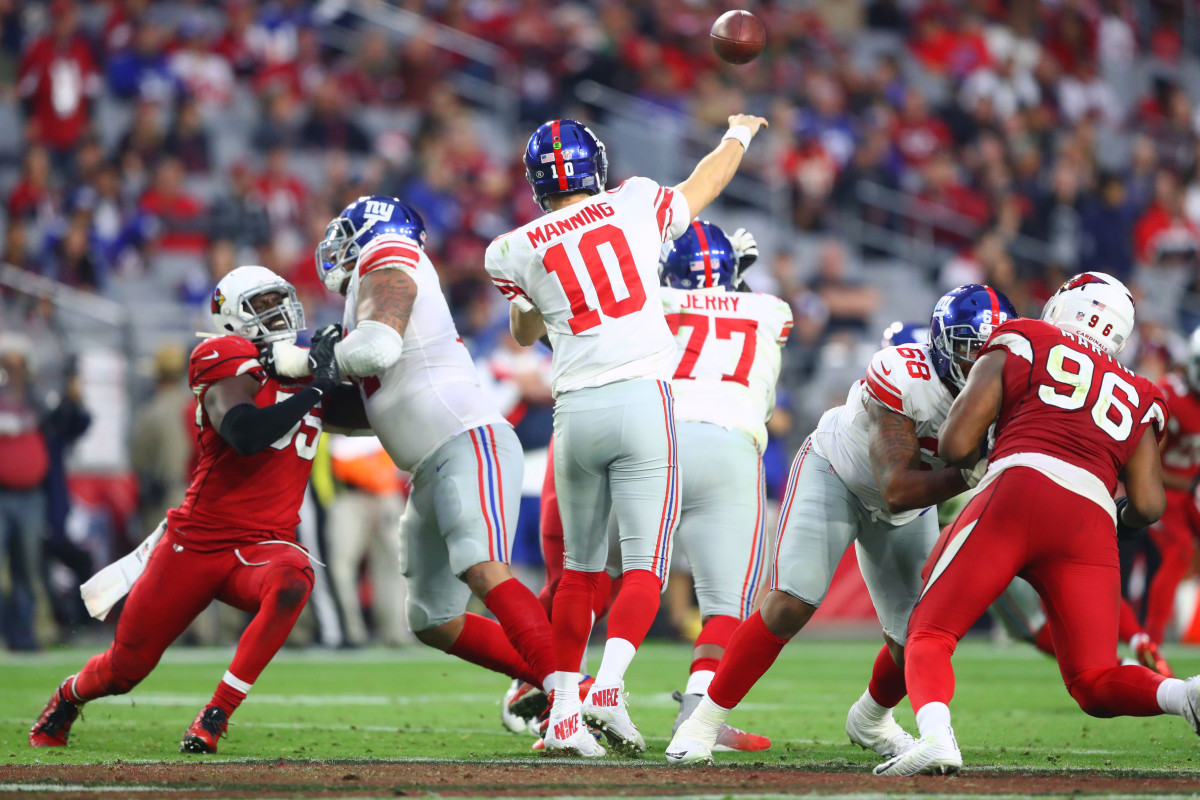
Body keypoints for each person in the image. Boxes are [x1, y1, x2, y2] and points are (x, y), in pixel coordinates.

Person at [485, 114, 768, 756]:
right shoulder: (635, 201)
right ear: (597, 167)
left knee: (578, 574)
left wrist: (542, 288)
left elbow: (525, 331)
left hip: (575, 410)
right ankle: (608, 689)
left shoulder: (511, 246)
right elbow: (705, 183)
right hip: (643, 397)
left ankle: (562, 718)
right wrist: (739, 134)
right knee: (646, 566)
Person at [667, 285, 1017, 766]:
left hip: (907, 509)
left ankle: (871, 718)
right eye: (968, 346)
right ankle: (701, 723)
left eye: (990, 348)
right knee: (791, 601)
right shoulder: (904, 374)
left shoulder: (1013, 397)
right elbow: (895, 485)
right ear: (942, 343)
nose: (979, 359)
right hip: (838, 473)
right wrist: (966, 473)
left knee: (917, 636)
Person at [878, 272, 1199, 777]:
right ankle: (1186, 695)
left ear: (1067, 304)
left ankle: (937, 738)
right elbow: (1149, 504)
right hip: (1090, 518)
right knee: (1094, 679)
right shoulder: (1139, 389)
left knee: (931, 631)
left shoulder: (1026, 334)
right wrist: (1116, 514)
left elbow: (957, 445)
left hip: (1020, 486)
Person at [29, 266, 361, 753]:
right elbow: (245, 434)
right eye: (261, 304)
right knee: (126, 669)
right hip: (197, 543)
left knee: (294, 578)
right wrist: (318, 386)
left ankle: (214, 716)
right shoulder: (219, 353)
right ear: (231, 316)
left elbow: (376, 416)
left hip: (264, 543)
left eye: (278, 299)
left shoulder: (304, 368)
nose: (277, 311)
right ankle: (68, 694)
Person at [268, 197, 558, 707]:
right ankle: (552, 686)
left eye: (345, 231)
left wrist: (297, 360)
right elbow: (371, 410)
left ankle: (569, 695)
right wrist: (284, 392)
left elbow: (376, 349)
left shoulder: (388, 250)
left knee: (484, 568)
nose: (336, 244)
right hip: (433, 460)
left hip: (466, 438)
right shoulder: (369, 288)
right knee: (432, 618)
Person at [657, 220, 788, 753]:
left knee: (604, 578)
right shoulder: (770, 308)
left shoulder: (657, 303)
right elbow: (738, 318)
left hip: (656, 443)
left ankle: (569, 695)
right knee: (725, 604)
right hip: (731, 445)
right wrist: (734, 283)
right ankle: (695, 719)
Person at [1143, 328, 1200, 645]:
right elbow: (1145, 465)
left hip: (1191, 490)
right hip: (1162, 491)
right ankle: (1152, 638)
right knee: (1179, 551)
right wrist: (1188, 481)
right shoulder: (1170, 395)